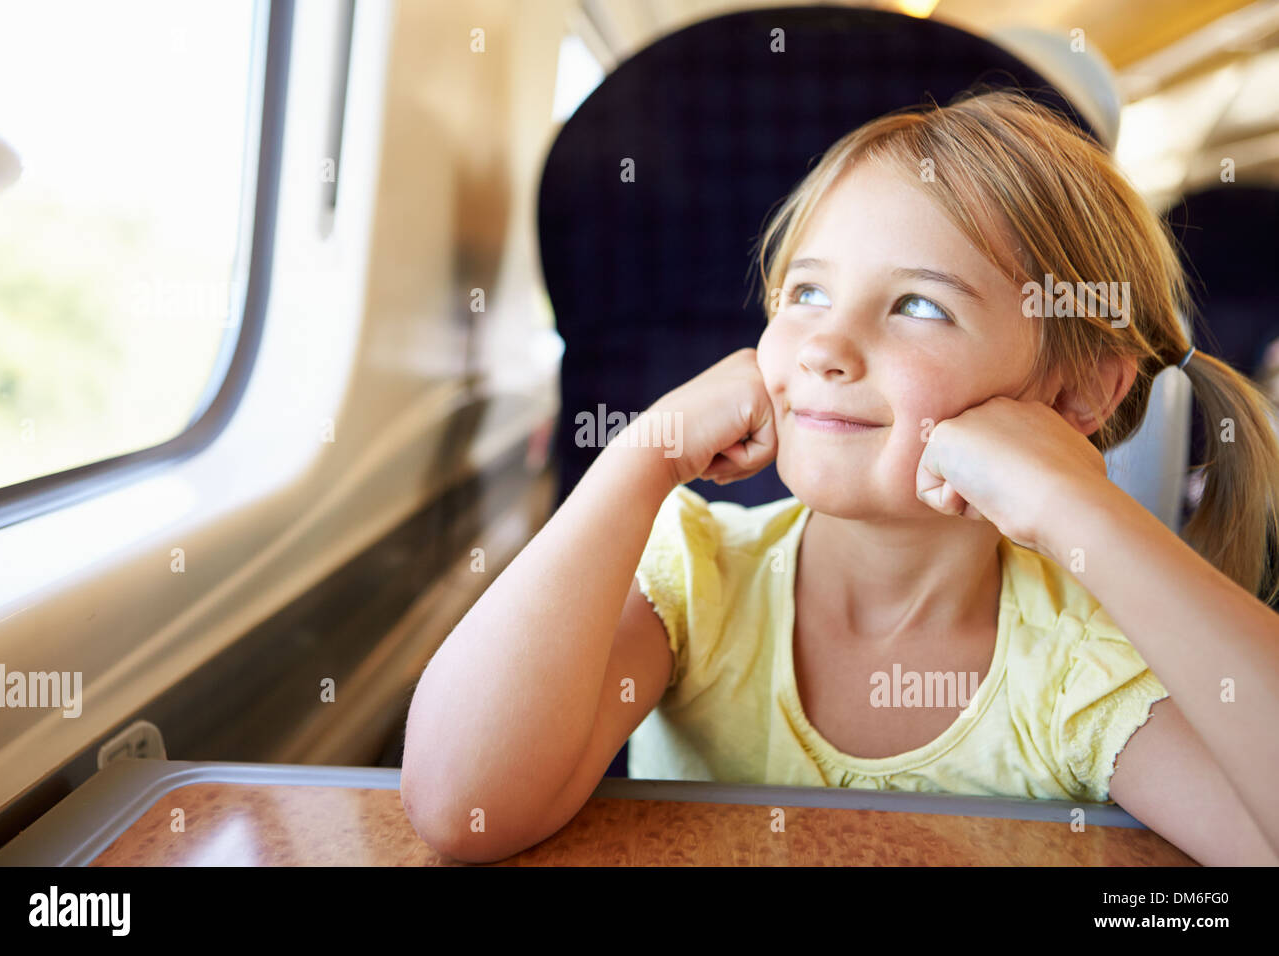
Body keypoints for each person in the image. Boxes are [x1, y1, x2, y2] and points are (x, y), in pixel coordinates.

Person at [401, 89, 1279, 866]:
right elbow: (461, 807)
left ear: (1076, 391)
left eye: (919, 306)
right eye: (807, 294)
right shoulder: (699, 580)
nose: (823, 345)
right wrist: (639, 460)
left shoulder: (1074, 663)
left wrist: (1078, 508)